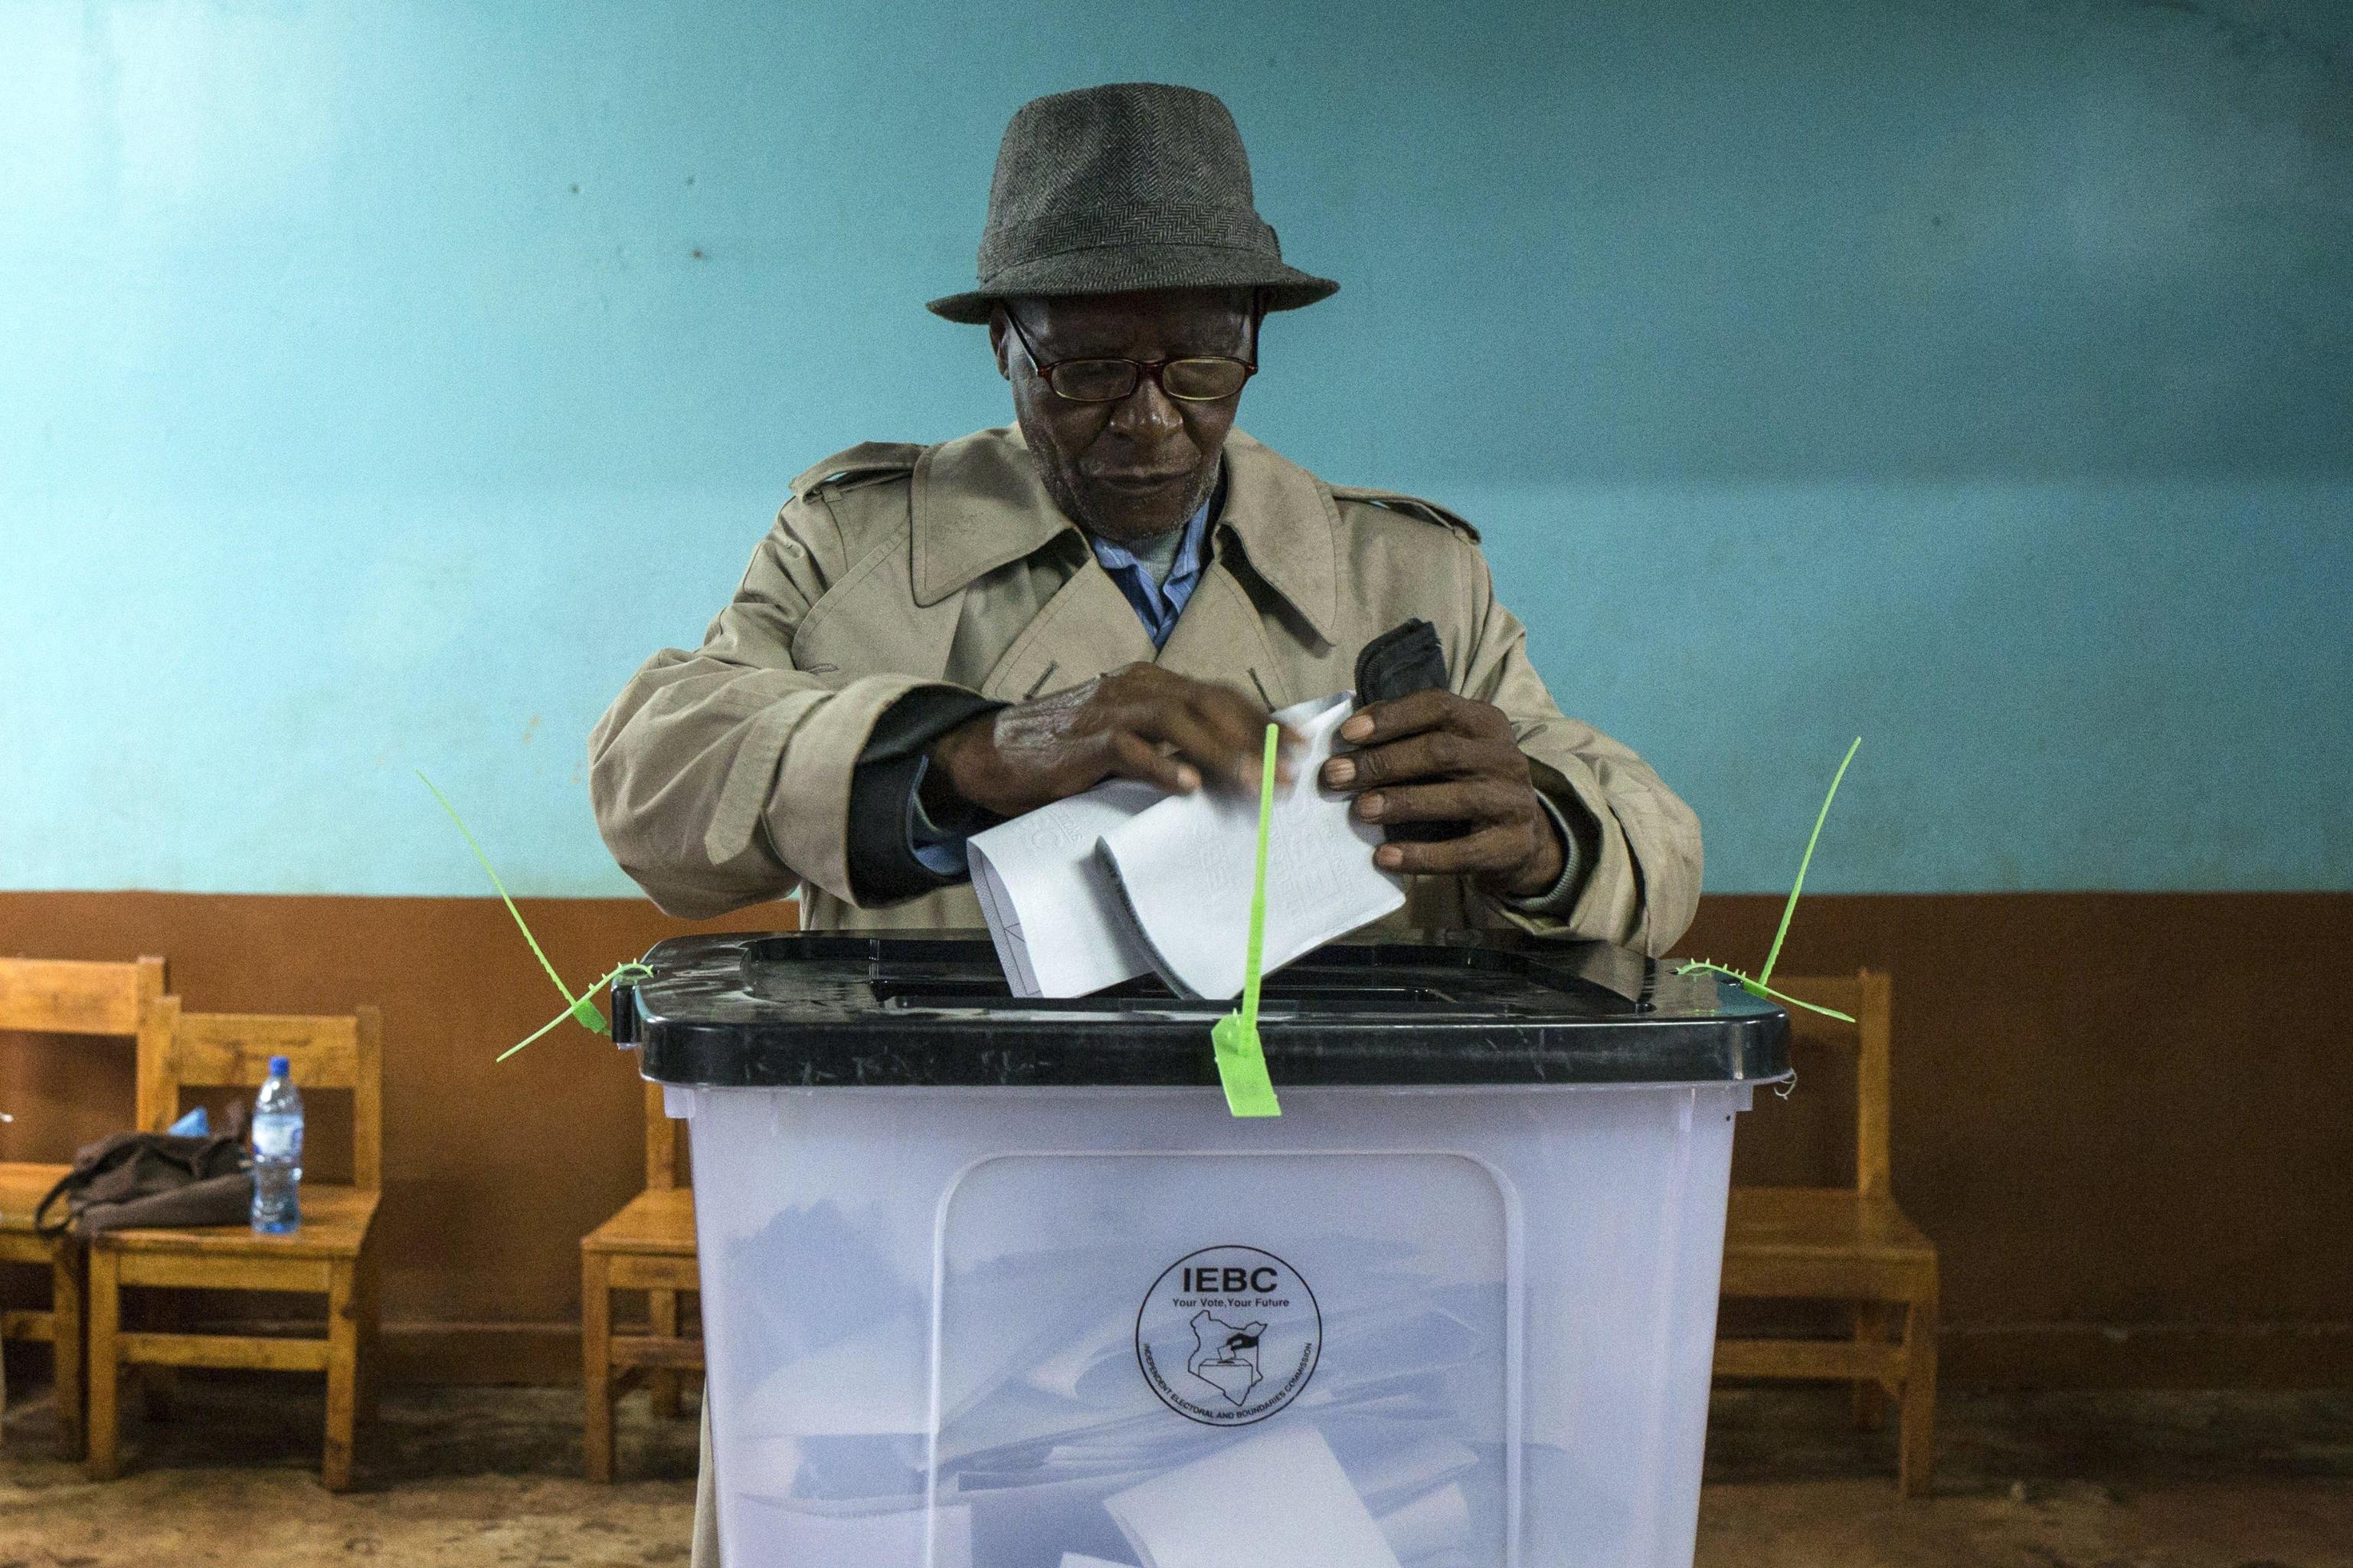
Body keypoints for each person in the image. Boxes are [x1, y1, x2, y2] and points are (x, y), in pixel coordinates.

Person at [587, 81, 1702, 1567]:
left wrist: (1545, 832)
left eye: (1199, 357)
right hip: (950, 1275)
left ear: (1256, 336)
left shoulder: (1406, 583)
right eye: (1089, 366)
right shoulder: (857, 548)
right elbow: (648, 775)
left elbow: (1657, 843)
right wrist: (971, 752)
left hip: (1313, 1277)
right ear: (1005, 346)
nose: (1151, 416)